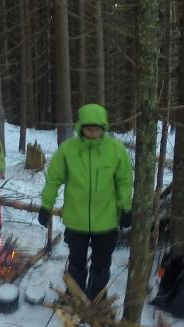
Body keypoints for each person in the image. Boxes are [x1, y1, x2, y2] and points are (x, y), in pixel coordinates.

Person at [37, 104, 133, 301]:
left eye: (97, 128)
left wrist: (126, 207)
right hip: (76, 219)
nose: (93, 132)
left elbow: (124, 180)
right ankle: (76, 298)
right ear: (81, 127)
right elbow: (54, 178)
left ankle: (97, 300)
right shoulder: (68, 150)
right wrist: (46, 205)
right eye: (89, 128)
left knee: (101, 264)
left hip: (106, 220)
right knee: (76, 263)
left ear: (103, 127)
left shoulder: (115, 149)